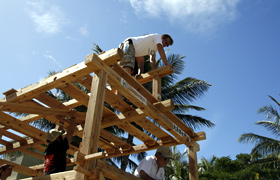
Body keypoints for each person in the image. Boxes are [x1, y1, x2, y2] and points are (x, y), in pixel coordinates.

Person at [43, 109, 77, 175]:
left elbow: (58, 135)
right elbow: (70, 132)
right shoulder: (60, 147)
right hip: (55, 177)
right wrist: (74, 117)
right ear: (57, 139)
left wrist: (61, 122)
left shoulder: (49, 148)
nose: (62, 136)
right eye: (60, 135)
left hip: (47, 176)